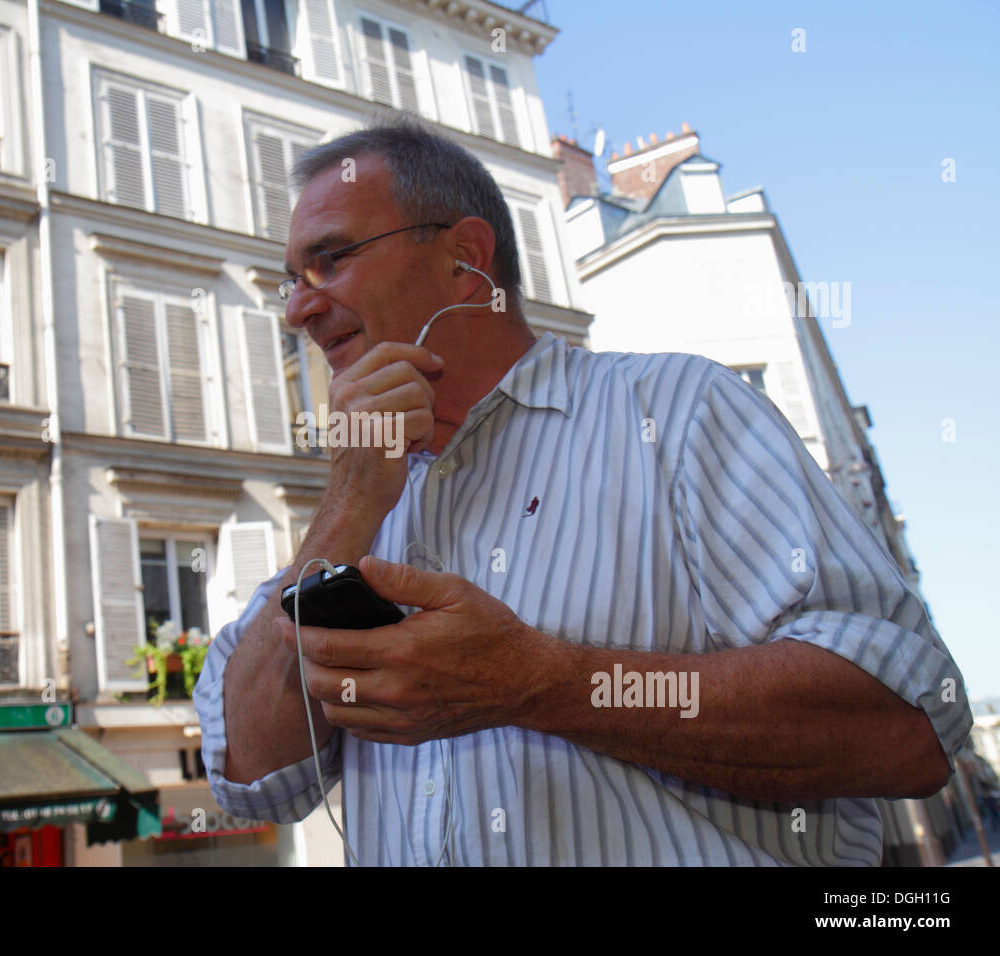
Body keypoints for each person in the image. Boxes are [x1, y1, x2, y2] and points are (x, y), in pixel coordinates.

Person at [192, 117, 973, 865]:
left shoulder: (677, 410)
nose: (299, 308)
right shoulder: (361, 494)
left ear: (464, 259)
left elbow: (908, 723)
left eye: (331, 259)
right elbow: (251, 777)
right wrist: (347, 508)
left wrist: (540, 684)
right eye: (292, 281)